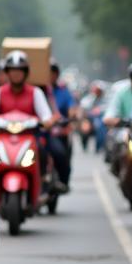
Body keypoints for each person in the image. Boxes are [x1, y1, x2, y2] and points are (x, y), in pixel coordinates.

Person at [0, 51, 63, 187]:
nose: (16, 74)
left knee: (56, 152)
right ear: (7, 72)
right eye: (12, 70)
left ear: (25, 72)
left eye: (19, 70)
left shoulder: (36, 92)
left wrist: (47, 122)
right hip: (3, 140)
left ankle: (45, 180)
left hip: (31, 139)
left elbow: (46, 116)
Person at [47, 60, 77, 190]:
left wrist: (69, 117)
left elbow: (71, 107)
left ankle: (63, 180)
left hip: (59, 131)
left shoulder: (63, 91)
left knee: (61, 154)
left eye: (53, 73)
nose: (50, 75)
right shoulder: (37, 90)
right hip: (40, 132)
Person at [103, 61, 132, 127]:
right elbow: (109, 116)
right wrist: (118, 121)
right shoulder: (122, 92)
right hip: (127, 130)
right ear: (131, 78)